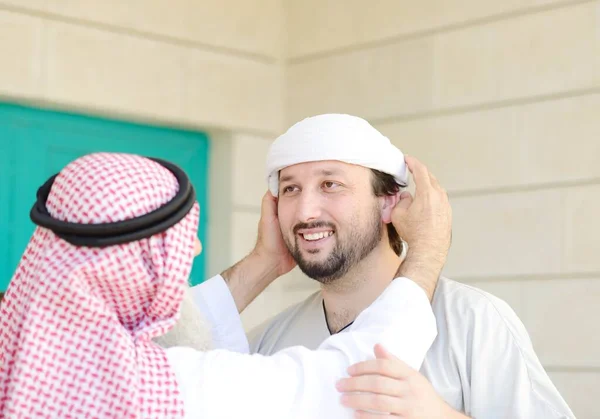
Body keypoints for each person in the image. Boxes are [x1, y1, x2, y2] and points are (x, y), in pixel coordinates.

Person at [0, 152, 447, 419]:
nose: (193, 248)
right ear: (126, 262)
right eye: (176, 240)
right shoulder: (146, 383)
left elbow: (172, 338)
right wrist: (425, 251)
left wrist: (264, 264)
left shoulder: (30, 357)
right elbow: (345, 381)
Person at [196, 114, 574, 418]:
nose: (305, 211)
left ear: (388, 202)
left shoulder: (475, 322)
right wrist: (264, 261)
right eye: (291, 189)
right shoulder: (268, 342)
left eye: (331, 184)